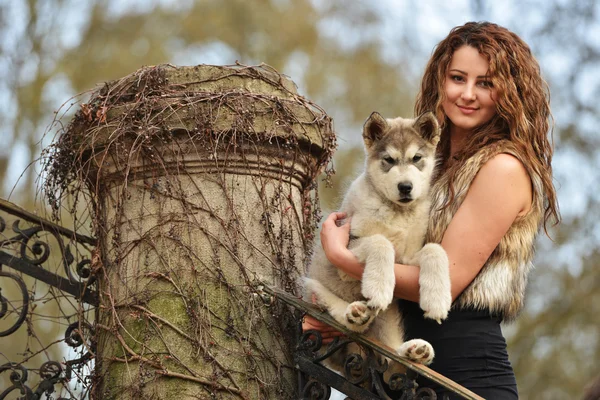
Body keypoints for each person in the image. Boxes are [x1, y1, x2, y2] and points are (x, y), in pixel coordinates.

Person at [302, 21, 560, 399]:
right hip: (397, 361)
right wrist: (332, 304)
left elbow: (448, 282)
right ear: (441, 81)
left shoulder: (503, 167)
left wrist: (341, 256)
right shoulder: (424, 159)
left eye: (485, 83)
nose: (468, 94)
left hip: (464, 370)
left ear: (509, 92)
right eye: (458, 78)